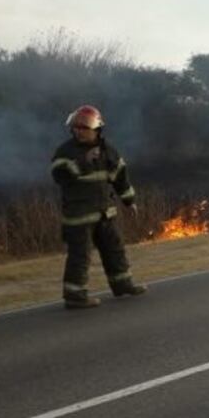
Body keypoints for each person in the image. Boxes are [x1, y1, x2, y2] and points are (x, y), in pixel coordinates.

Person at [50, 105, 148, 309]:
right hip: (79, 216)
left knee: (115, 250)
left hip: (105, 213)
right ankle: (75, 296)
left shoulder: (108, 151)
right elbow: (59, 175)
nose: (78, 131)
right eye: (75, 127)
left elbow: (120, 177)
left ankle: (122, 285)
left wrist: (129, 201)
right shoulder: (66, 152)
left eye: (83, 127)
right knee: (80, 256)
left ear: (96, 129)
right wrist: (84, 162)